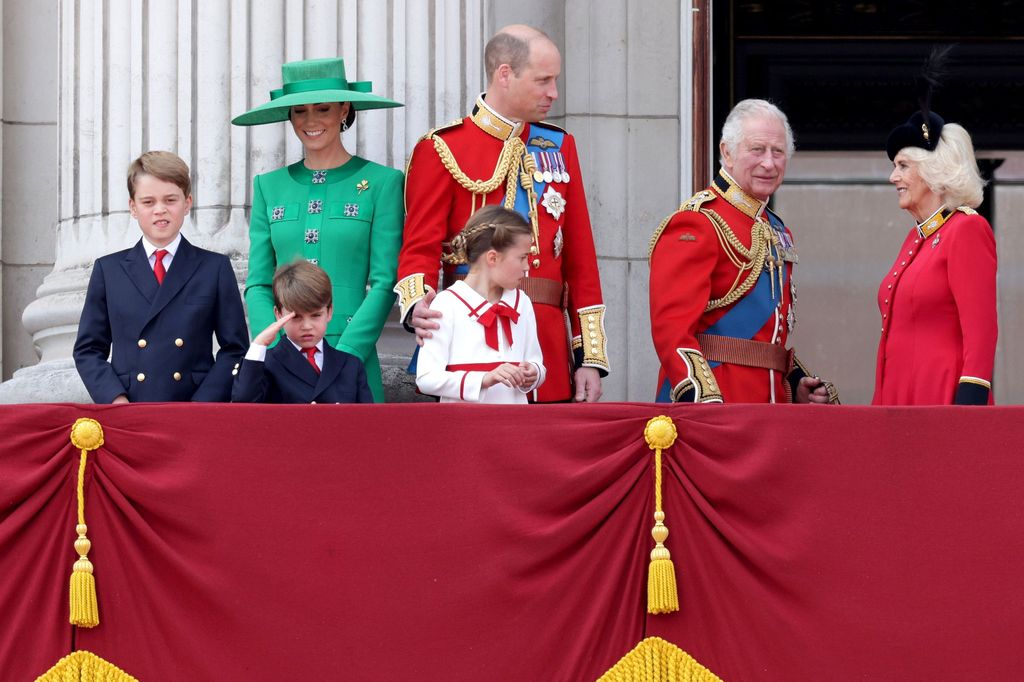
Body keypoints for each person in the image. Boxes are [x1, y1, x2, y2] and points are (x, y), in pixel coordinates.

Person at [395, 24, 607, 403]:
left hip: (546, 351)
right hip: (470, 342)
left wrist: (588, 355)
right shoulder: (442, 147)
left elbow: (581, 259)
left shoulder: (560, 146)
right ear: (504, 74)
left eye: (554, 80)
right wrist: (418, 306)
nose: (553, 93)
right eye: (543, 80)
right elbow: (419, 246)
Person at [232, 57, 404, 403]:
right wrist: (280, 346)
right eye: (299, 111)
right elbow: (258, 282)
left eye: (323, 109)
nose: (310, 121)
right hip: (283, 361)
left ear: (344, 109)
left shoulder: (383, 183)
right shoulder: (269, 185)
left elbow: (385, 281)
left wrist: (349, 352)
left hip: (352, 353)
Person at [648, 99, 836, 404]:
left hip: (768, 407)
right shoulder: (697, 221)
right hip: (720, 402)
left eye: (778, 152)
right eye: (757, 150)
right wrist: (702, 398)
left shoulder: (776, 228)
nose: (769, 163)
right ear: (727, 152)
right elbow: (672, 331)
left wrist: (795, 383)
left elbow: (766, 339)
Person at [74, 151, 248, 403]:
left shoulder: (214, 268)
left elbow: (235, 349)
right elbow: (88, 349)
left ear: (187, 203)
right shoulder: (109, 270)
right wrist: (114, 398)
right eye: (148, 202)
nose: (160, 210)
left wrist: (204, 403)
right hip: (131, 407)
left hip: (193, 407)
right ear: (133, 207)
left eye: (170, 200)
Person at [874, 111, 997, 405]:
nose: (894, 177)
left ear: (934, 170)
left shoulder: (967, 228)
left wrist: (970, 403)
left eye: (903, 166)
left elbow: (981, 328)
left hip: (941, 397)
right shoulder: (915, 239)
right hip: (897, 398)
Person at [416, 206, 545, 404]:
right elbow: (426, 378)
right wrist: (483, 379)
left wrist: (534, 373)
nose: (527, 267)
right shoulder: (447, 304)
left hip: (514, 426)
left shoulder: (523, 303)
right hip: (463, 428)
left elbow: (536, 361)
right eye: (522, 257)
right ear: (492, 258)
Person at [232, 261, 372, 404]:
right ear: (278, 314)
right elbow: (244, 403)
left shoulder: (350, 365)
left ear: (329, 312)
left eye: (316, 315)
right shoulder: (267, 363)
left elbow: (367, 420)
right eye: (296, 317)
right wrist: (258, 345)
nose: (306, 326)